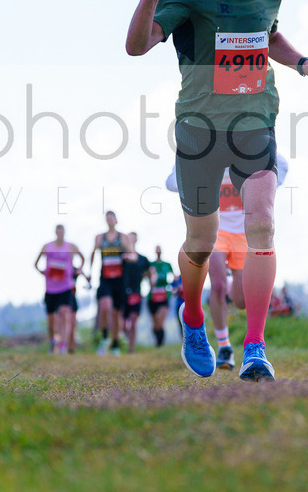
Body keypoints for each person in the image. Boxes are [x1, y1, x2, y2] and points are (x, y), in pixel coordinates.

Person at [126, 0, 308, 381]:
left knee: (261, 223)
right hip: (199, 129)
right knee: (200, 240)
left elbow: (270, 36)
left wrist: (306, 65)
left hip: (254, 123)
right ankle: (194, 317)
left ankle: (256, 346)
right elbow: (137, 46)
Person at [166, 153, 288, 370]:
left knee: (241, 300)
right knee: (218, 284)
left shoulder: (249, 148)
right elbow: (172, 182)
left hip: (243, 233)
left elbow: (281, 164)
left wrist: (267, 185)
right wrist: (187, 181)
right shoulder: (208, 149)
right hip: (218, 230)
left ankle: (232, 282)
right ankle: (224, 346)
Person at [34, 224, 85, 354]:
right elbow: (36, 263)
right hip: (50, 288)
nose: (60, 233)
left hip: (66, 287)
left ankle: (63, 344)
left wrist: (78, 269)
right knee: (51, 320)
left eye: (62, 231)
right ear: (55, 232)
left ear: (64, 232)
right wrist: (42, 272)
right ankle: (52, 342)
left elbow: (82, 258)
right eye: (58, 231)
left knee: (65, 313)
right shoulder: (47, 247)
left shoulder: (71, 246)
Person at [89, 210, 135, 356]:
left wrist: (128, 257)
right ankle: (103, 338)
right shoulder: (99, 238)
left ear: (116, 220)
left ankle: (115, 344)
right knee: (104, 307)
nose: (109, 220)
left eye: (111, 218)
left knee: (116, 314)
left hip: (120, 280)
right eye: (106, 218)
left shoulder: (123, 238)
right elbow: (92, 253)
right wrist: (89, 272)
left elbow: (133, 254)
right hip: (105, 279)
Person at [121, 232, 153, 354]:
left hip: (136, 292)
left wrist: (150, 277)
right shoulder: (122, 256)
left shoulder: (142, 259)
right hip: (123, 292)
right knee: (124, 325)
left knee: (133, 320)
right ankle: (124, 337)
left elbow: (150, 271)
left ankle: (131, 348)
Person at [147, 245, 175, 347]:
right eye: (157, 250)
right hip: (152, 297)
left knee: (161, 319)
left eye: (160, 250)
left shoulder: (167, 264)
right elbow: (145, 277)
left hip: (164, 296)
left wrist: (173, 289)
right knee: (155, 323)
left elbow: (174, 277)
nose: (158, 252)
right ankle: (157, 340)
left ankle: (160, 343)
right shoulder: (151, 265)